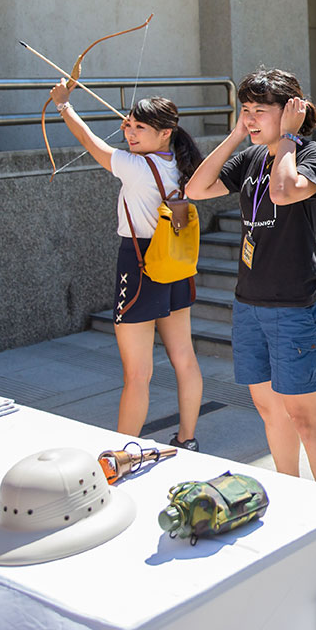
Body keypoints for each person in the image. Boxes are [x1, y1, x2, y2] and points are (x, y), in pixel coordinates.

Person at [186, 67, 316, 486]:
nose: (251, 117)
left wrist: (289, 139)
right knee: (269, 408)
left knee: (306, 418)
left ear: (291, 110)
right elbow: (196, 189)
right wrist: (238, 134)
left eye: (260, 110)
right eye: (245, 109)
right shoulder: (251, 156)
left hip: (297, 303)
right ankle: (290, 495)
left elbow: (283, 192)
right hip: (249, 301)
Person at [50, 80, 206, 451]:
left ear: (166, 132)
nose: (129, 133)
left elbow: (91, 143)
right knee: (183, 357)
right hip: (177, 262)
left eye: (139, 128)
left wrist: (63, 106)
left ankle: (121, 454)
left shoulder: (136, 166)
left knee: (137, 373)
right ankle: (188, 439)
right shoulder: (184, 166)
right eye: (128, 125)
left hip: (139, 264)